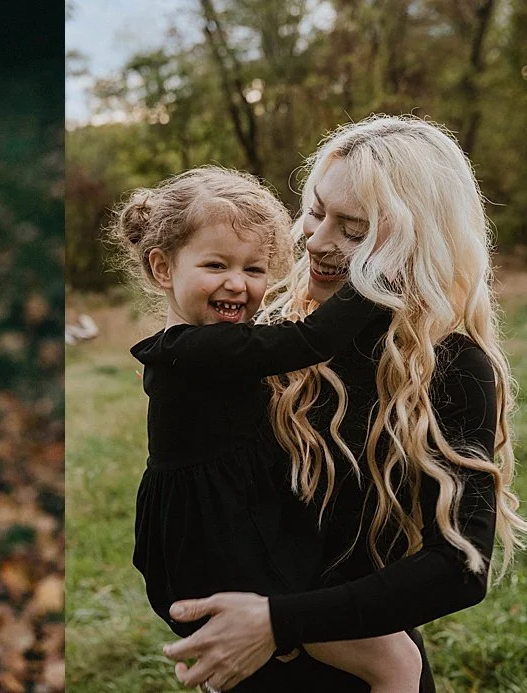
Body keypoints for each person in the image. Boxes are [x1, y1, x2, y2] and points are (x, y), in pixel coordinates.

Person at [158, 116, 527, 691]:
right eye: (315, 211)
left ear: (415, 245)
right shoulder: (267, 343)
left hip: (361, 652)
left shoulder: (452, 369)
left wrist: (282, 623)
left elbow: (459, 566)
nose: (316, 241)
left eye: (353, 230)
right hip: (249, 660)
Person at [110, 166, 418, 692]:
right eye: (215, 264)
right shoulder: (194, 349)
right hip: (226, 539)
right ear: (162, 268)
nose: (238, 282)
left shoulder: (209, 346)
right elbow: (310, 342)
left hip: (231, 520)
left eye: (255, 269)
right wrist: (382, 272)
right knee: (394, 661)